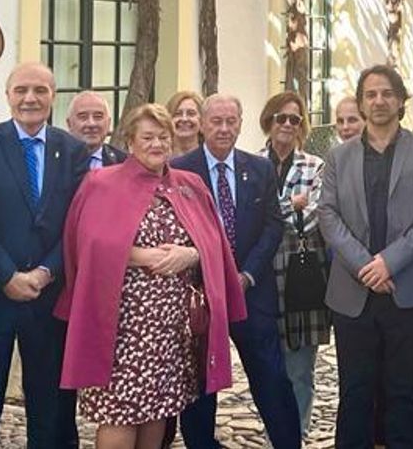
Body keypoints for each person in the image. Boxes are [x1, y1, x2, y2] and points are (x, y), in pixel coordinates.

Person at [55, 103, 246, 449]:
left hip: (170, 328)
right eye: (148, 137)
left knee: (157, 411)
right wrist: (139, 256)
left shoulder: (189, 184)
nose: (157, 144)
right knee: (120, 413)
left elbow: (213, 242)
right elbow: (85, 244)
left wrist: (191, 254)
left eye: (163, 137)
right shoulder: (102, 183)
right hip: (122, 328)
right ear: (130, 142)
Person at [0, 63, 87, 449]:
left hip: (49, 299)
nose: (30, 98)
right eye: (21, 90)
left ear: (53, 96)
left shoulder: (72, 149)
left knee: (51, 405)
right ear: (8, 96)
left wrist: (48, 271)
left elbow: (78, 223)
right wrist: (6, 276)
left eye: (40, 90)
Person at [319, 65, 413, 448]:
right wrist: (366, 265)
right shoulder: (339, 157)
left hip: (409, 291)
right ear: (361, 102)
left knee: (405, 393)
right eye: (371, 94)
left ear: (401, 101)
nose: (378, 101)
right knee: (355, 393)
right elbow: (327, 215)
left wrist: (389, 262)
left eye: (387, 93)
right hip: (352, 294)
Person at [173, 95, 301, 449]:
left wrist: (246, 276)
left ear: (241, 123)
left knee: (273, 378)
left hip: (250, 293)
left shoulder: (259, 169)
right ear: (202, 123)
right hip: (201, 295)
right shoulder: (180, 170)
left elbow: (273, 227)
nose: (224, 129)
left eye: (231, 121)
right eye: (216, 121)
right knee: (200, 384)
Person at [261, 90, 330, 434]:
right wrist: (293, 205)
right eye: (281, 117)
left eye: (295, 119)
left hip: (301, 273)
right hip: (262, 278)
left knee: (301, 366)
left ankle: (297, 432)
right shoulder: (252, 163)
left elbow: (316, 217)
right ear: (268, 121)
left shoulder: (315, 166)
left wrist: (273, 212)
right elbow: (249, 221)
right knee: (268, 365)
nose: (287, 124)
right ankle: (276, 427)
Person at [68, 91, 127, 169]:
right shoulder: (56, 161)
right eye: (83, 117)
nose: (91, 124)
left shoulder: (124, 163)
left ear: (109, 123)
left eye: (98, 117)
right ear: (69, 124)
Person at [166, 91, 205, 155]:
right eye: (178, 114)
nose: (184, 119)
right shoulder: (159, 157)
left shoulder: (211, 156)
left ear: (202, 120)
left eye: (191, 113)